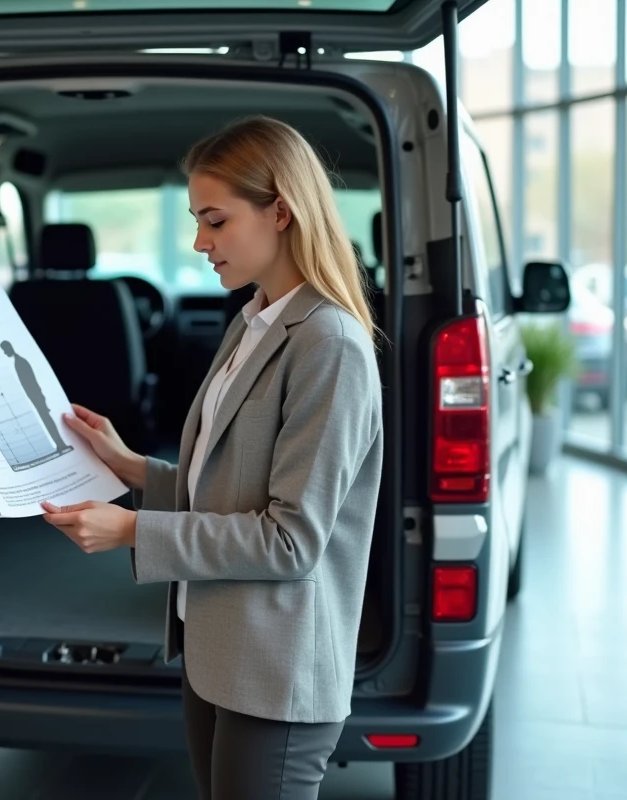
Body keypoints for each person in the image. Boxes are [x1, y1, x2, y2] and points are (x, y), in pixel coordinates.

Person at [40, 115, 383, 800]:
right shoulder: (253, 320)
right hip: (217, 647)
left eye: (215, 221)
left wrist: (132, 529)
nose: (199, 242)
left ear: (281, 212)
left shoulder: (329, 345)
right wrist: (131, 464)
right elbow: (227, 487)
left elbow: (290, 541)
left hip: (276, 669)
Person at [0, 340, 69, 452]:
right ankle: (59, 444)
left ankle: (60, 444)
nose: (4, 353)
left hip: (36, 397)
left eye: (4, 350)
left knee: (47, 419)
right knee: (46, 419)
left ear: (9, 348)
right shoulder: (18, 362)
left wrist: (40, 397)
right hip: (34, 397)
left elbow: (32, 382)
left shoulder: (20, 362)